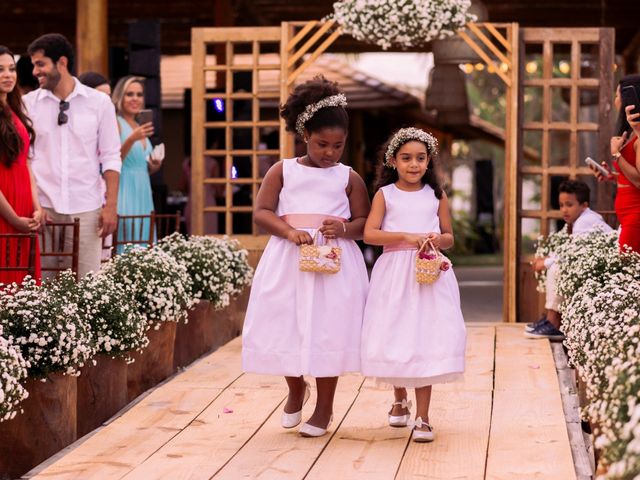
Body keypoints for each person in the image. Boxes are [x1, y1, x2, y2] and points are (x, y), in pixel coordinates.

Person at [242, 75, 370, 437]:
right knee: (286, 323)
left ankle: (325, 407)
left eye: (337, 146)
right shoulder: (282, 170)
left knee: (328, 330)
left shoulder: (349, 177)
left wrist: (343, 229)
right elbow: (262, 212)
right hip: (289, 258)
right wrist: (288, 231)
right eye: (321, 144)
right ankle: (296, 385)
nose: (329, 153)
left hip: (332, 264)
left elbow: (363, 222)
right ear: (303, 135)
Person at [361, 127, 466, 443]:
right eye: (406, 158)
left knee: (424, 336)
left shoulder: (436, 195)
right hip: (394, 273)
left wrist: (436, 238)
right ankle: (398, 398)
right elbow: (370, 234)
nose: (414, 164)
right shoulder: (385, 195)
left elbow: (449, 236)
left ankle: (423, 417)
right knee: (397, 332)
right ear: (393, 160)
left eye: (420, 158)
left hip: (429, 274)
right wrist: (406, 236)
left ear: (428, 161)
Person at [23, 33, 121, 277]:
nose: (35, 71)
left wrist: (110, 206)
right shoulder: (27, 104)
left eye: (40, 64)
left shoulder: (99, 103)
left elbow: (110, 156)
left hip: (87, 209)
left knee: (86, 288)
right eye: (34, 64)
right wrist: (35, 205)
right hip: (43, 210)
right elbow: (26, 159)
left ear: (62, 63)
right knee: (43, 291)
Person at [525, 180, 612, 340]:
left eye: (569, 205)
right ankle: (552, 318)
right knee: (556, 265)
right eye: (561, 205)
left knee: (557, 268)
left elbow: (570, 256)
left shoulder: (585, 221)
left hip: (607, 271)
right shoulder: (580, 220)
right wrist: (548, 258)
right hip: (594, 266)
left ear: (584, 205)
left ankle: (554, 322)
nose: (564, 210)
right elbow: (571, 251)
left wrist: (545, 263)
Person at [0, 46, 41, 284]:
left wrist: (37, 207)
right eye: (1, 70)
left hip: (24, 209)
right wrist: (14, 219)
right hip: (6, 209)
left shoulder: (15, 109)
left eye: (11, 69)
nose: (8, 75)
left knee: (23, 284)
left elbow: (26, 162)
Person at [589, 74, 640, 253]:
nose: (615, 100)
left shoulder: (639, 137)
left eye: (617, 96)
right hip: (626, 215)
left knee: (628, 271)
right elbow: (630, 175)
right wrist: (611, 176)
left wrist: (617, 155)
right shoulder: (631, 133)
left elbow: (639, 181)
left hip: (636, 216)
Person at [111, 75, 160, 253]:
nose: (135, 99)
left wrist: (155, 164)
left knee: (144, 238)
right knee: (128, 238)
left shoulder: (140, 126)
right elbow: (113, 159)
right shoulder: (116, 123)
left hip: (143, 190)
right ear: (120, 97)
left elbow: (144, 166)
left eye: (139, 94)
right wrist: (131, 139)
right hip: (125, 189)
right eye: (129, 94)